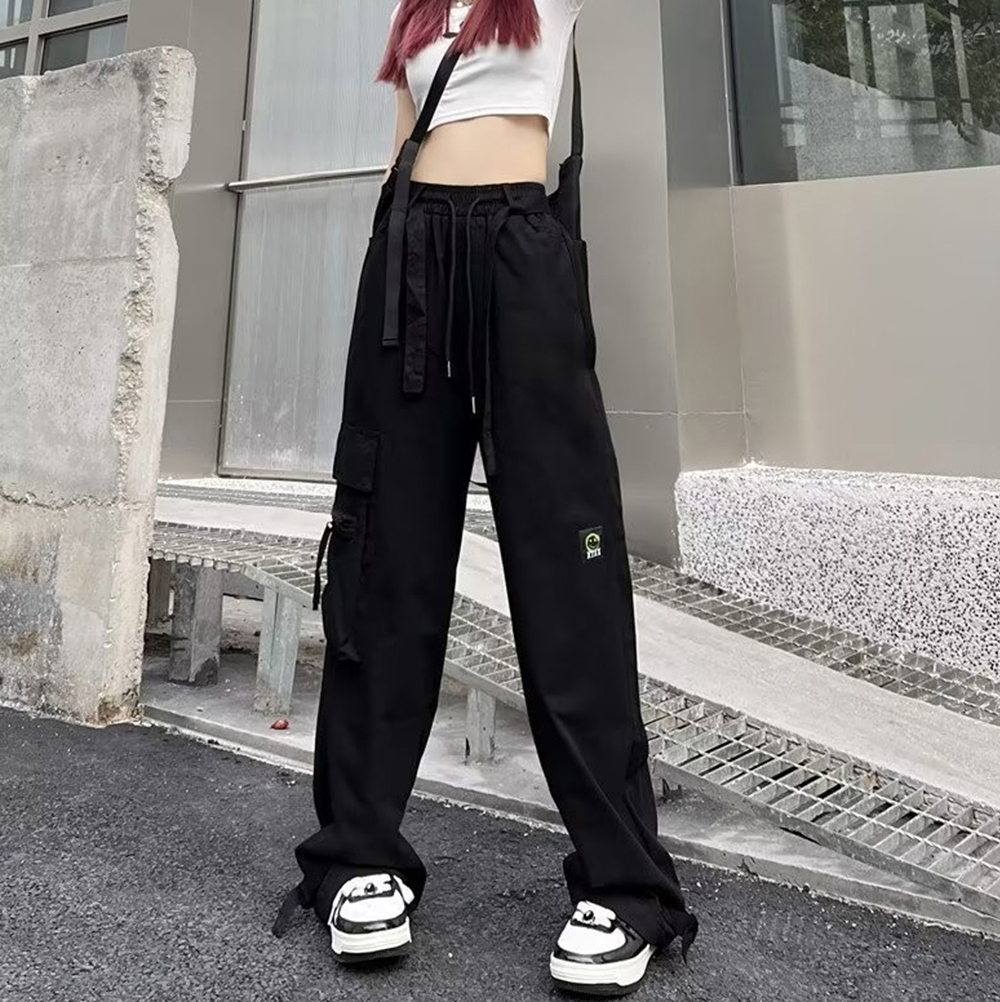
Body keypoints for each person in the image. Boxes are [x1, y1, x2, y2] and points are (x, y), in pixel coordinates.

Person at [273, 0, 699, 994]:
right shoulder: (416, 14)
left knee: (569, 564)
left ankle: (625, 884)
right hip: (409, 261)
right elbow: (398, 153)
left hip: (520, 255)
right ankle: (359, 853)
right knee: (382, 556)